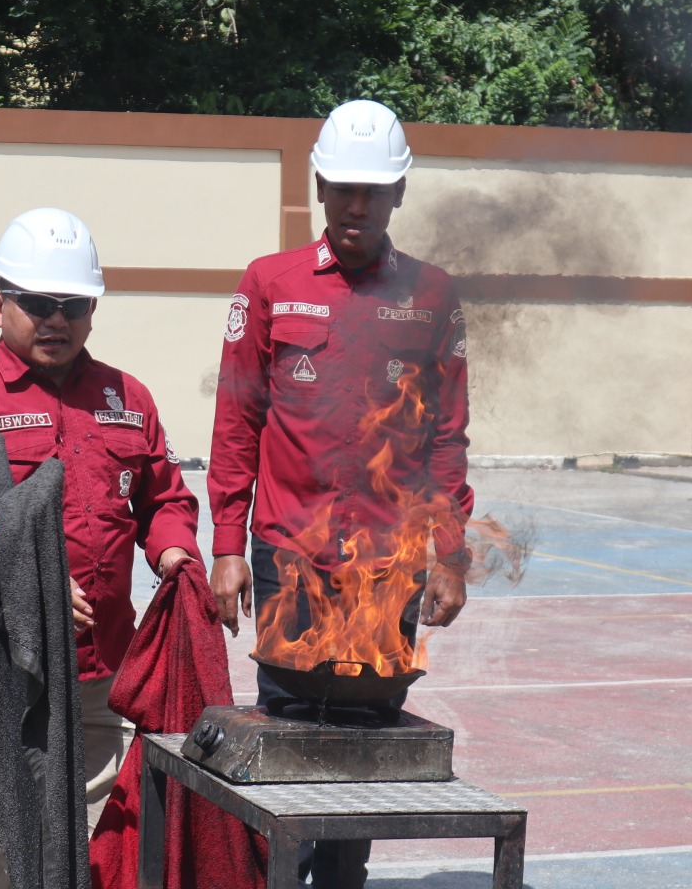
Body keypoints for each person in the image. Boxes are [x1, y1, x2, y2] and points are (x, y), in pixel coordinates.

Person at [206, 100, 473, 887]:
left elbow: (448, 439)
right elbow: (236, 423)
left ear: (399, 196)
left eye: (375, 190)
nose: (357, 205)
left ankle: (342, 880)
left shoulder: (432, 295)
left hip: (391, 558)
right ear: (320, 186)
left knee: (366, 739)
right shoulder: (269, 283)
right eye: (344, 188)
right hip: (288, 548)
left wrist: (449, 558)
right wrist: (227, 545)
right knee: (285, 728)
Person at [0, 207, 200, 885]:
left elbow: (163, 498)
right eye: (38, 302)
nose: (56, 319)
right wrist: (27, 586)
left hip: (102, 679)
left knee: (98, 843)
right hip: (3, 676)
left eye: (74, 303)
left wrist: (174, 552)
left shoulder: (128, 398)